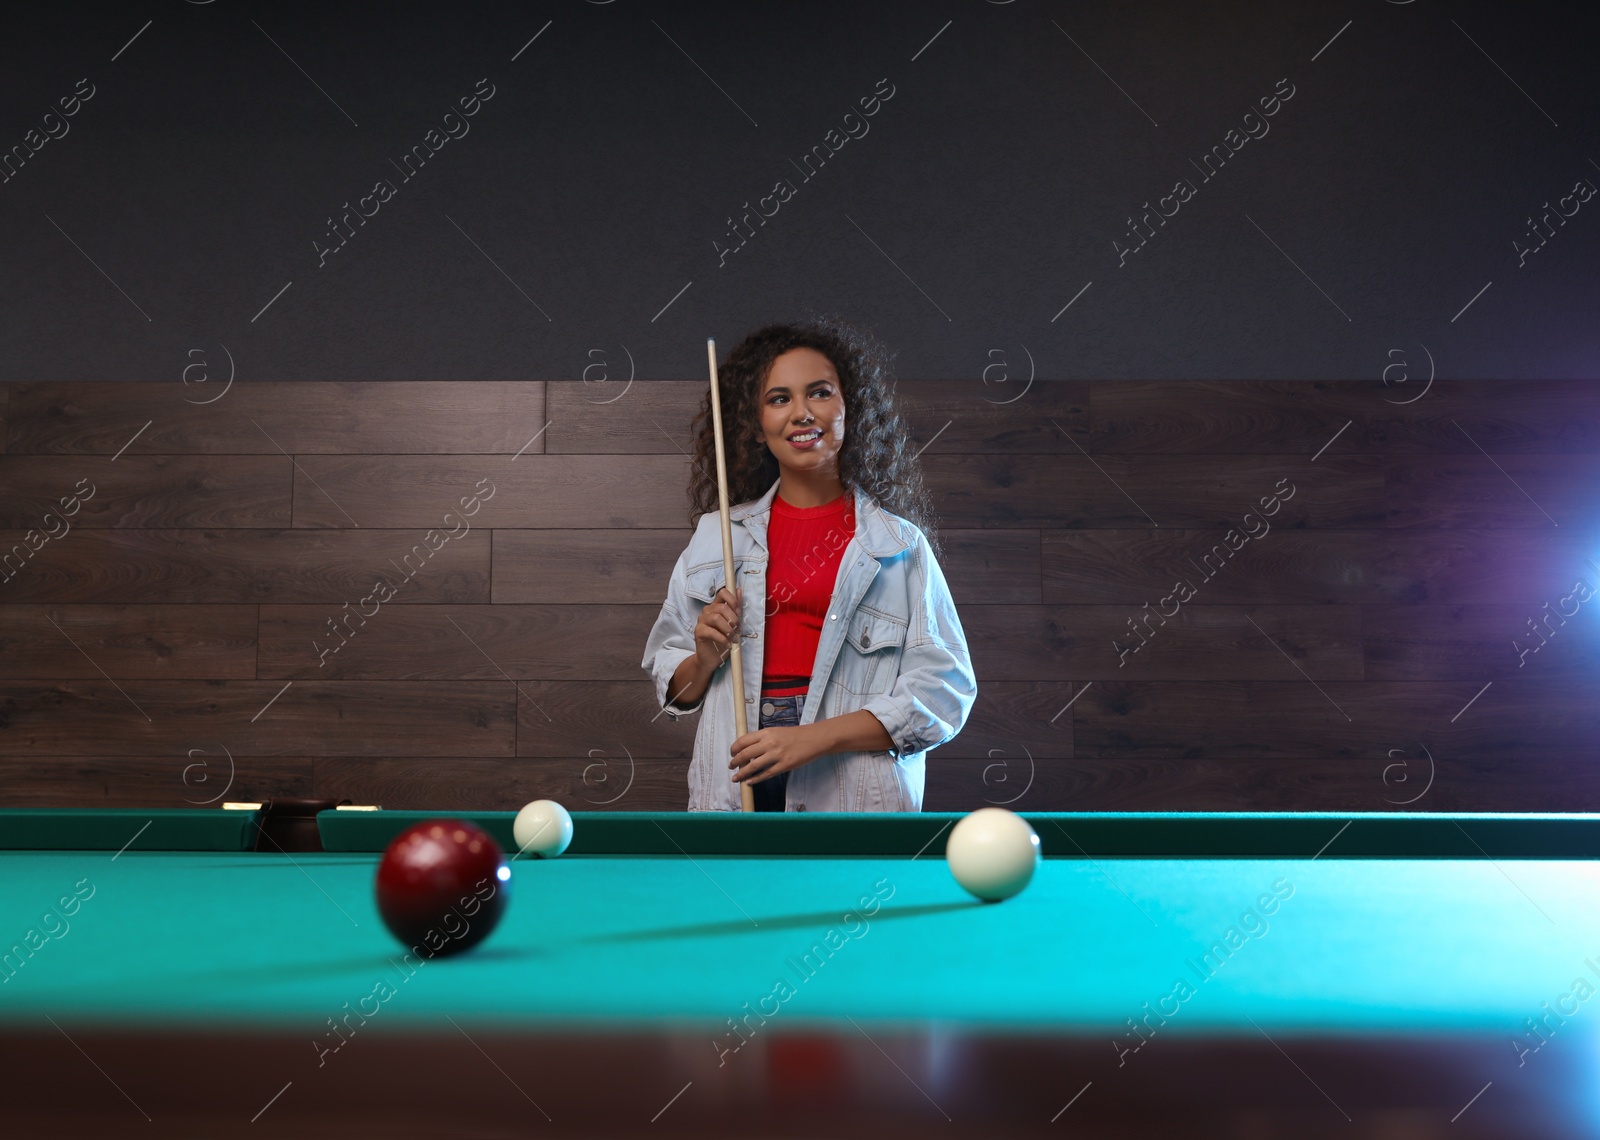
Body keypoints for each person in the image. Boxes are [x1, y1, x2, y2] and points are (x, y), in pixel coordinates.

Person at [640, 318, 977, 812]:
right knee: (739, 891)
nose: (800, 413)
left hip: (851, 788)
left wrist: (812, 738)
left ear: (848, 409)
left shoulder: (900, 545)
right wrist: (706, 657)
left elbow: (943, 694)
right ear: (757, 425)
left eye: (818, 393)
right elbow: (677, 691)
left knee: (843, 892)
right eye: (779, 399)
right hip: (735, 778)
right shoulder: (717, 536)